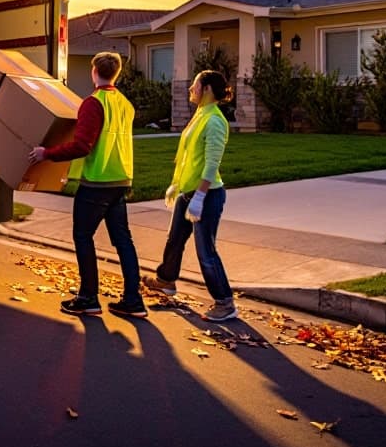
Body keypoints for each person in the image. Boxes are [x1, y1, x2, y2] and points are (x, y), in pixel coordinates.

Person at [28, 52, 145, 318]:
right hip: (120, 179)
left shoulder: (93, 103)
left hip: (97, 182)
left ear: (94, 72)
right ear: (116, 74)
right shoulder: (125, 103)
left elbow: (82, 145)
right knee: (123, 241)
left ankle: (88, 297)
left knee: (83, 236)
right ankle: (133, 300)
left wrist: (47, 153)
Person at [143, 70, 239, 322]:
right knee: (174, 239)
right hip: (188, 192)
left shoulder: (215, 121)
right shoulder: (200, 115)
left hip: (206, 195)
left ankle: (225, 302)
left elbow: (211, 163)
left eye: (194, 85)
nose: (190, 90)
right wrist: (177, 186)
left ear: (206, 89)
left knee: (205, 251)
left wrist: (199, 196)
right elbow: (188, 155)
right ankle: (165, 281)